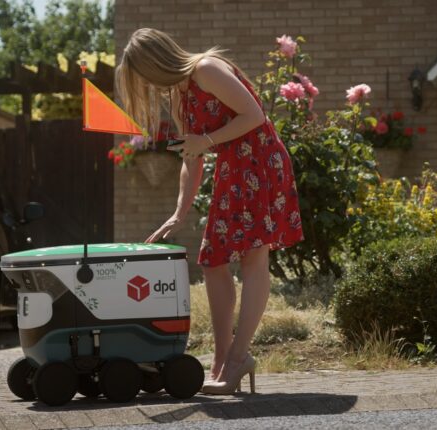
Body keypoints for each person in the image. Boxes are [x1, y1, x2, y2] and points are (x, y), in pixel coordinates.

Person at [116, 28, 304, 395]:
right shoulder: (178, 92)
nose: (148, 87)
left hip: (260, 162)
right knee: (213, 260)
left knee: (253, 257)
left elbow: (254, 114)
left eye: (144, 78)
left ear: (155, 63)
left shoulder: (206, 69)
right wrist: (179, 212)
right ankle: (222, 361)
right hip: (232, 168)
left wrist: (208, 140)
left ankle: (237, 359)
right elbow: (193, 156)